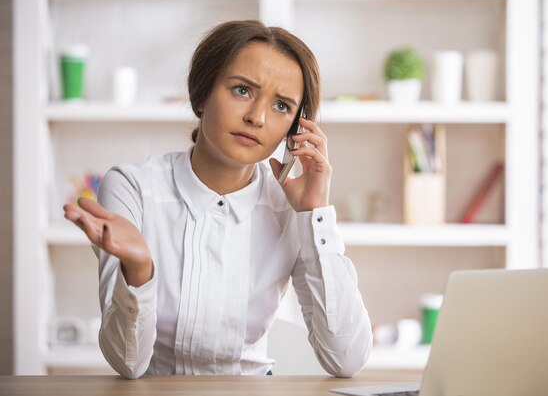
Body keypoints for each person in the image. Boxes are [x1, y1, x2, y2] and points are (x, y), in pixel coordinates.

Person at [63, 20, 372, 379]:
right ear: (201, 93)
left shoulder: (291, 207)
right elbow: (128, 364)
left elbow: (346, 360)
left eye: (282, 106)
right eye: (242, 90)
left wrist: (314, 213)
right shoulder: (132, 188)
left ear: (296, 130)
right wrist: (139, 270)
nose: (256, 117)